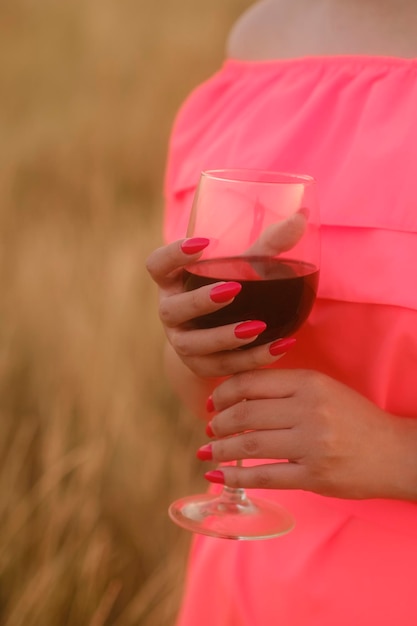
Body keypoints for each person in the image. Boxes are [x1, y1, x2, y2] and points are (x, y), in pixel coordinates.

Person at [146, 0, 417, 623]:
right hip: (252, 572)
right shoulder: (262, 38)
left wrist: (396, 454)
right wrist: (197, 351)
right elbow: (209, 403)